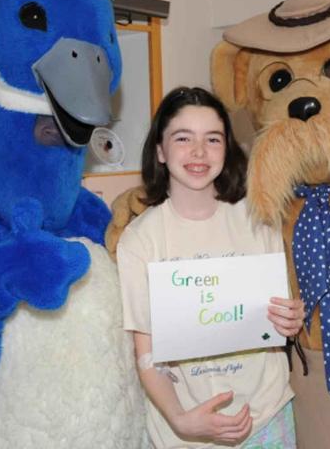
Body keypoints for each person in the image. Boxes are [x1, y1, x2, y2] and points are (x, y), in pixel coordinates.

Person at [117, 86, 305, 448]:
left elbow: (281, 316)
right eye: (183, 138)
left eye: (213, 139)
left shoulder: (259, 220)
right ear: (160, 150)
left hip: (265, 417)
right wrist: (180, 420)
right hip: (183, 431)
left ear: (227, 148)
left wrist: (290, 319)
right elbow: (147, 353)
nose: (199, 152)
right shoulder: (140, 241)